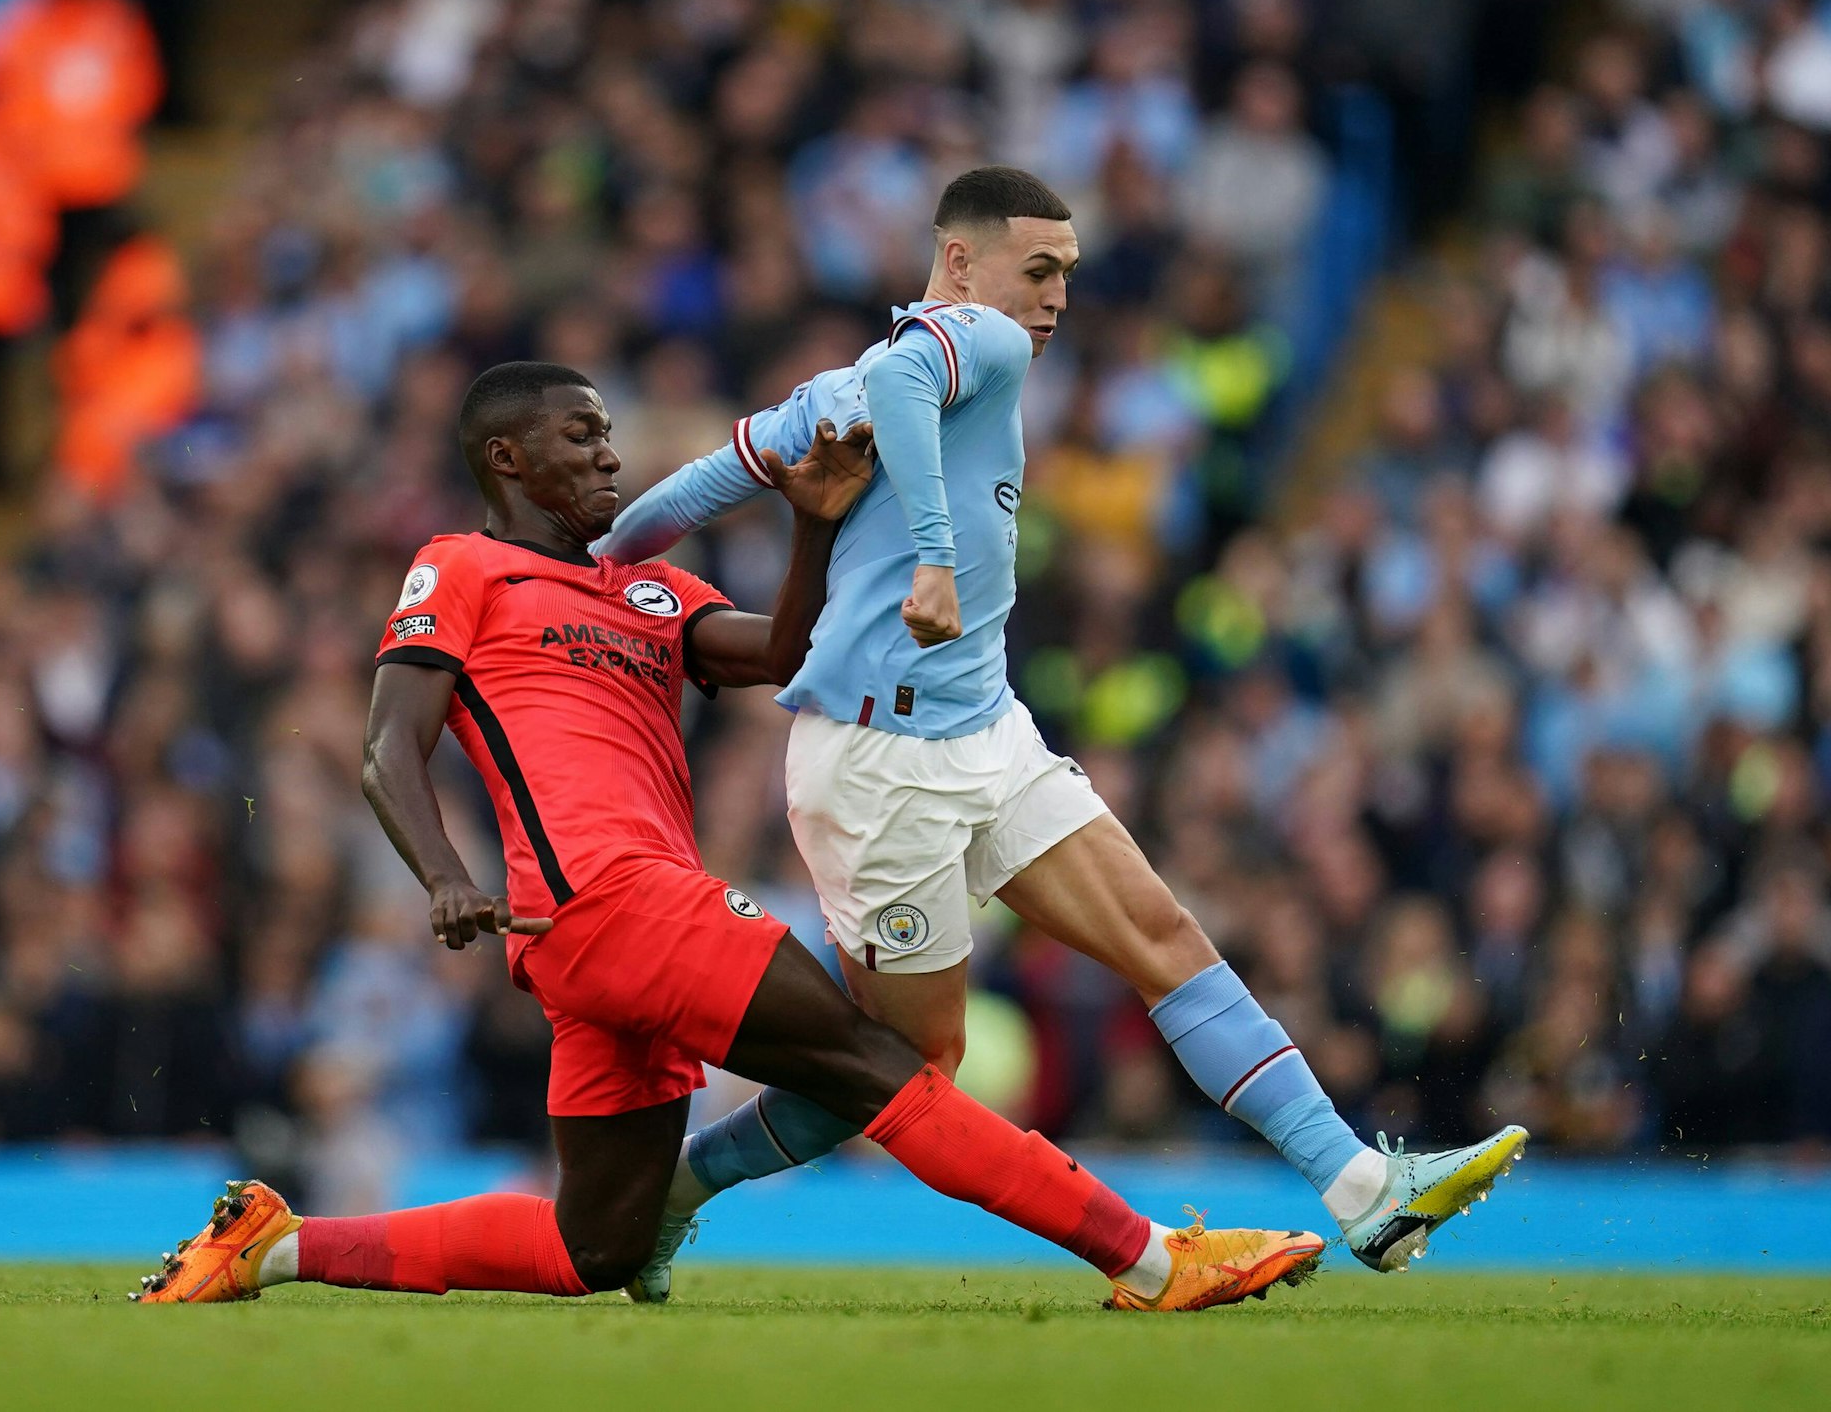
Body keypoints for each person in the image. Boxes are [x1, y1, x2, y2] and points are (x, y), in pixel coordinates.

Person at [133, 360, 1322, 1310]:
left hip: (606, 930)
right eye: (580, 437)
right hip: (608, 900)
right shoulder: (464, 567)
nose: (609, 456)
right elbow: (387, 745)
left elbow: (789, 657)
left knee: (595, 1246)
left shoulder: (650, 591)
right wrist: (442, 877)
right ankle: (1150, 1261)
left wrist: (809, 526)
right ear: (505, 459)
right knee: (875, 1067)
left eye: (608, 436)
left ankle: (274, 1247)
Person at [595, 167, 1528, 1298]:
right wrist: (934, 555)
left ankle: (1361, 1188)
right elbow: (898, 379)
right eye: (1037, 270)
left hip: (986, 730)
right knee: (910, 1064)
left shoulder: (834, 393)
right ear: (959, 263)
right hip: (878, 769)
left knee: (1160, 936)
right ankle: (675, 1189)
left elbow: (682, 496)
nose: (1056, 298)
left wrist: (593, 566)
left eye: (1068, 275)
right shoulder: (969, 344)